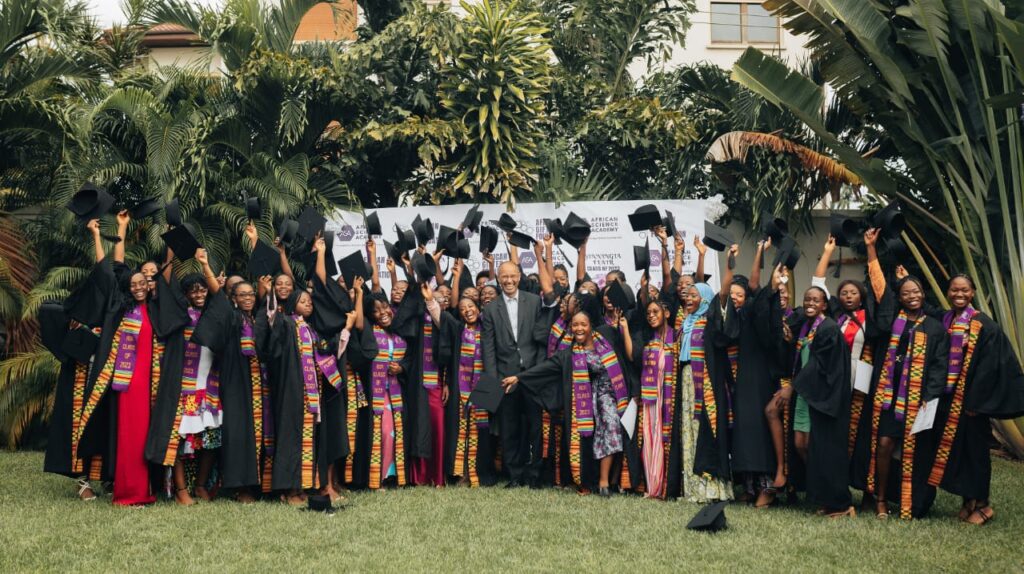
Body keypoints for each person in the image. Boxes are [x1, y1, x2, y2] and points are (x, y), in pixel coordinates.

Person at [69, 213, 159, 506]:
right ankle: (93, 480)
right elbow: (110, 269)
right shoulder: (120, 308)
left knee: (130, 432)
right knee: (103, 424)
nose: (138, 286)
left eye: (142, 282)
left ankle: (120, 480)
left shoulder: (156, 310)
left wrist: (122, 226)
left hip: (144, 382)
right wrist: (102, 234)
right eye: (133, 284)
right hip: (114, 377)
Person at [859, 228, 949, 519]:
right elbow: (879, 289)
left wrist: (930, 396)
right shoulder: (891, 319)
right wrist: (871, 249)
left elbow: (939, 365)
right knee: (884, 445)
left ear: (924, 295)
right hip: (888, 398)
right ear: (900, 296)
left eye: (917, 292)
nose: (912, 296)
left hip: (918, 401)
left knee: (915, 453)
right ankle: (881, 499)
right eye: (906, 292)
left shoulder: (934, 327)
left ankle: (912, 501)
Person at [926, 274, 1024, 525]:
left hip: (971, 404)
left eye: (964, 290)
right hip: (950, 400)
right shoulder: (945, 319)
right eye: (954, 290)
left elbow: (990, 367)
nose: (959, 294)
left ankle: (983, 505)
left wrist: (975, 404)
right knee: (959, 452)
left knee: (977, 453)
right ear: (948, 292)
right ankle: (968, 500)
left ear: (973, 292)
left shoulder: (983, 325)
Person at [502, 308, 631, 496]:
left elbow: (627, 359)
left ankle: (605, 482)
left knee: (611, 428)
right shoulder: (568, 355)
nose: (579, 328)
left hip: (609, 396)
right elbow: (544, 368)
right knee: (588, 438)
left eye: (583, 324)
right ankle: (591, 480)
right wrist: (519, 377)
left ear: (591, 326)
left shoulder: (607, 339)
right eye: (575, 325)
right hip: (584, 400)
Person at [263, 237, 349, 504]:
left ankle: (303, 486)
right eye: (303, 301)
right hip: (292, 390)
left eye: (311, 302)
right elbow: (272, 339)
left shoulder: (310, 329)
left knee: (308, 439)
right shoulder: (287, 324)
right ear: (293, 304)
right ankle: (288, 490)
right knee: (290, 438)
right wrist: (269, 295)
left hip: (310, 395)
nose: (308, 304)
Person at [190, 250, 269, 503]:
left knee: (259, 432)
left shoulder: (257, 319)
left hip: (258, 382)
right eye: (241, 295)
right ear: (233, 298)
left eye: (250, 294)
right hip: (235, 381)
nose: (247, 298)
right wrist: (205, 265)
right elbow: (217, 297)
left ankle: (258, 484)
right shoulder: (231, 316)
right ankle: (240, 486)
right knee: (238, 432)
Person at [146, 254, 223, 506]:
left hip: (209, 387)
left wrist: (208, 271)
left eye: (202, 289)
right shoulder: (181, 315)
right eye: (193, 290)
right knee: (179, 439)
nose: (199, 294)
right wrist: (170, 255)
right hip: (186, 388)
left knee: (210, 440)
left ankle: (200, 485)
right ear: (186, 294)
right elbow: (168, 286)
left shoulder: (214, 314)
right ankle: (180, 490)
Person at [778, 286, 855, 518]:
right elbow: (803, 359)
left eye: (816, 300)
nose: (810, 303)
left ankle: (841, 503)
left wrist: (791, 387)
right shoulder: (806, 327)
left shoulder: (828, 328)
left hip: (823, 396)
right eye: (807, 299)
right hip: (806, 392)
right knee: (801, 444)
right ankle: (825, 494)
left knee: (823, 448)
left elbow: (818, 364)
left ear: (824, 305)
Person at [720, 242, 780, 502]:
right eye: (732, 294)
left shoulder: (755, 312)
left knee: (758, 431)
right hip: (740, 382)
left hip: (759, 380)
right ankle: (749, 486)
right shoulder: (732, 319)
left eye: (739, 294)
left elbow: (757, 286)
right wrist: (729, 263)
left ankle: (766, 486)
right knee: (744, 432)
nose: (734, 297)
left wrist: (759, 253)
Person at [482, 261, 547, 488]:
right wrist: (495, 381)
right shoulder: (490, 309)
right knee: (509, 430)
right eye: (504, 277)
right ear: (498, 279)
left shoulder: (535, 301)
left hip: (531, 377)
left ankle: (534, 476)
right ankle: (515, 476)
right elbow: (488, 349)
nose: (508, 281)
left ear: (519, 276)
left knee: (535, 429)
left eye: (512, 276)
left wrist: (536, 373)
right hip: (504, 379)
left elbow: (541, 340)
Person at [348, 288, 413, 489]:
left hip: (397, 391)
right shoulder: (369, 329)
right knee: (385, 431)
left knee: (398, 432)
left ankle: (395, 476)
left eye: (385, 307)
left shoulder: (400, 330)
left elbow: (411, 357)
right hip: (375, 392)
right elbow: (358, 322)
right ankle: (380, 476)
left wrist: (402, 367)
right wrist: (358, 295)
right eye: (376, 310)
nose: (383, 312)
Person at [433, 281, 497, 486]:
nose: (467, 311)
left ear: (479, 308)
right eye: (462, 309)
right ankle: (460, 474)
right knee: (461, 429)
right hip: (460, 385)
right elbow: (448, 357)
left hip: (485, 384)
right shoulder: (457, 329)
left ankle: (478, 473)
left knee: (481, 429)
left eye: (470, 307)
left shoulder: (488, 327)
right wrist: (446, 383)